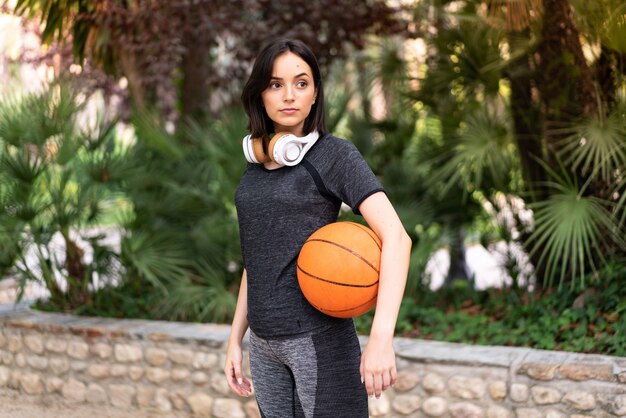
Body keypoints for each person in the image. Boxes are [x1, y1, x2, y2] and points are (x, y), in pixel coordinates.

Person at [224, 38, 412, 418]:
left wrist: (381, 338)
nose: (289, 95)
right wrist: (235, 339)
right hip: (263, 346)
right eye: (276, 84)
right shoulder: (256, 167)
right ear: (260, 94)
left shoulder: (333, 156)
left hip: (319, 342)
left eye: (301, 83)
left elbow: (397, 237)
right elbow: (256, 259)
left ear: (315, 94)